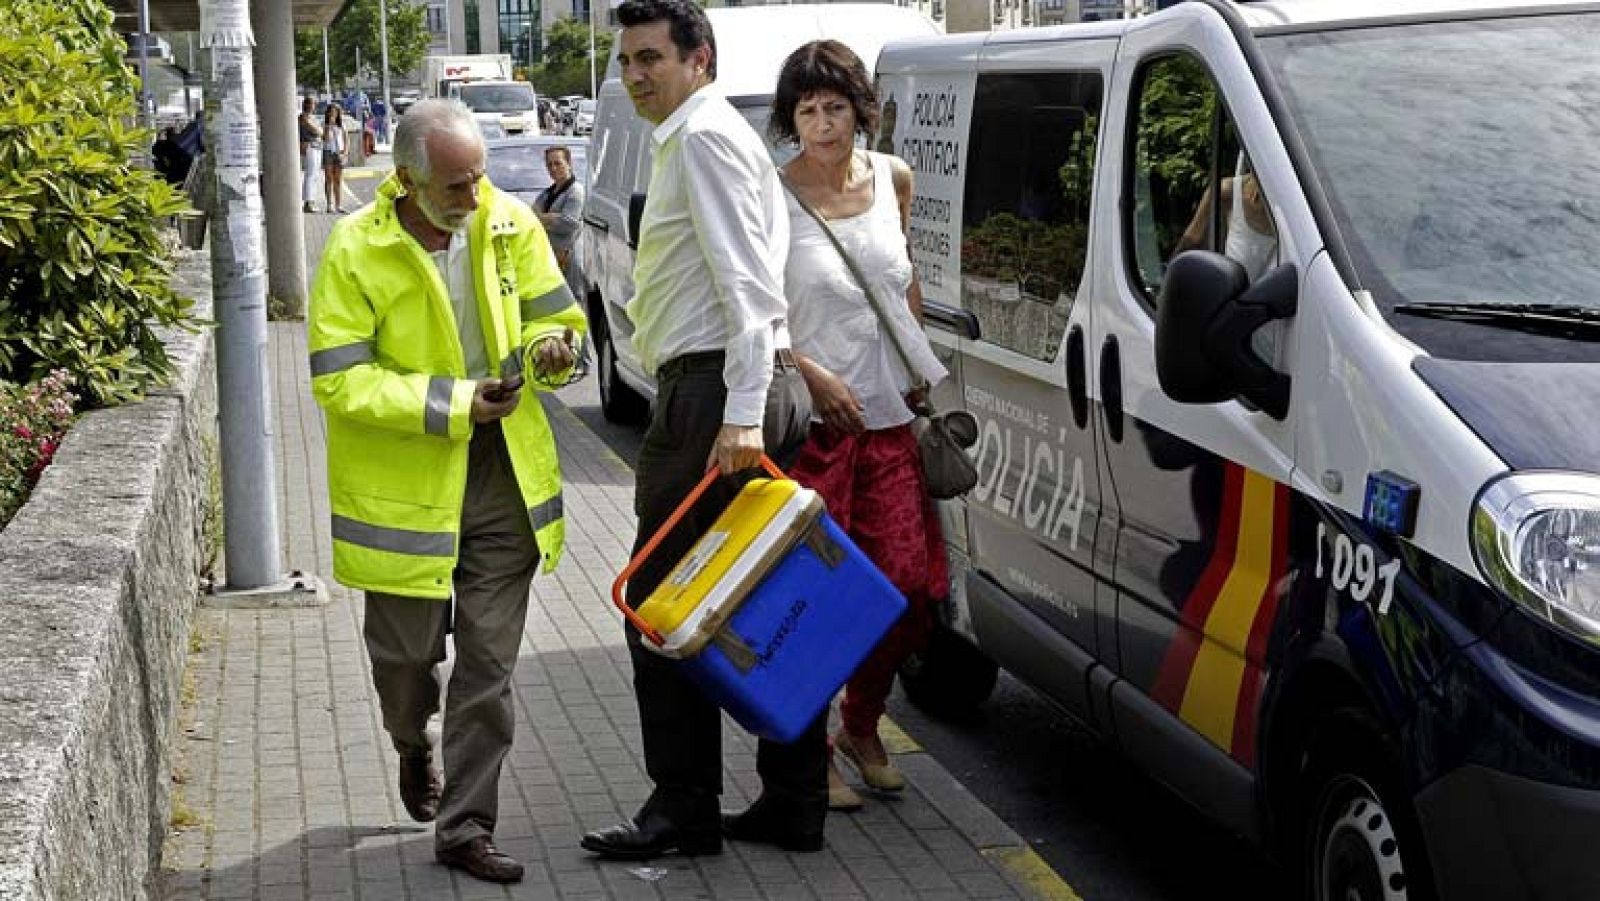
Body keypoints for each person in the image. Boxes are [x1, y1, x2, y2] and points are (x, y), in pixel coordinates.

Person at [307, 97, 586, 885]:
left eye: (479, 178)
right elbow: (340, 380)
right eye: (457, 186)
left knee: (488, 668)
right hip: (406, 491)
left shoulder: (507, 222)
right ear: (407, 180)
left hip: (502, 475)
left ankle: (466, 825)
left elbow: (551, 316)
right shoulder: (354, 250)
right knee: (406, 662)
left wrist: (553, 350)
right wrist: (455, 404)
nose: (475, 197)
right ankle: (409, 743)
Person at [579, 0, 819, 861]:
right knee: (758, 598)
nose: (638, 75)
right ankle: (794, 797)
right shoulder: (692, 133)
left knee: (659, 602)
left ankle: (685, 805)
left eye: (652, 58)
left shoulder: (704, 137)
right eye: (627, 61)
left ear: (699, 58)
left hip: (719, 390)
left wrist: (743, 414)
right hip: (727, 384)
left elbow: (751, 289)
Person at [768, 40, 950, 813]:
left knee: (909, 590)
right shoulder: (772, 195)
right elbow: (759, 315)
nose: (821, 123)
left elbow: (901, 280)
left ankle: (863, 721)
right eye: (806, 109)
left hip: (888, 422)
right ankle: (809, 751)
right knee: (812, 598)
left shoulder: (891, 181)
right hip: (814, 428)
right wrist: (814, 375)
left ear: (859, 109)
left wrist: (916, 374)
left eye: (834, 106)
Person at [534, 145, 584, 298]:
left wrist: (543, 218)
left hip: (568, 258)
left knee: (571, 301)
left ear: (568, 164)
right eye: (549, 165)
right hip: (550, 258)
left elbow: (569, 223)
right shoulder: (547, 193)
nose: (553, 168)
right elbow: (531, 217)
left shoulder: (575, 191)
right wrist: (552, 217)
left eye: (558, 163)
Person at [321, 103, 348, 214]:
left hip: (339, 152)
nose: (333, 114)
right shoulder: (324, 124)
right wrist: (328, 127)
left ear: (338, 113)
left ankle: (338, 205)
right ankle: (329, 205)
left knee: (337, 180)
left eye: (335, 112)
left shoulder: (342, 125)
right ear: (328, 113)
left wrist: (345, 153)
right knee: (329, 178)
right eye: (331, 112)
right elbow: (326, 140)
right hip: (328, 152)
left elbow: (347, 140)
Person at [298, 96, 323, 213]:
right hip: (309, 147)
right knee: (310, 175)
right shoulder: (302, 117)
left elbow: (321, 131)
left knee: (315, 175)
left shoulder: (313, 117)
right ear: (306, 105)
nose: (313, 106)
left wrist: (319, 130)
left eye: (314, 104)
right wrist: (318, 130)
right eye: (312, 104)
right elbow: (316, 130)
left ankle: (312, 200)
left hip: (317, 146)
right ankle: (308, 202)